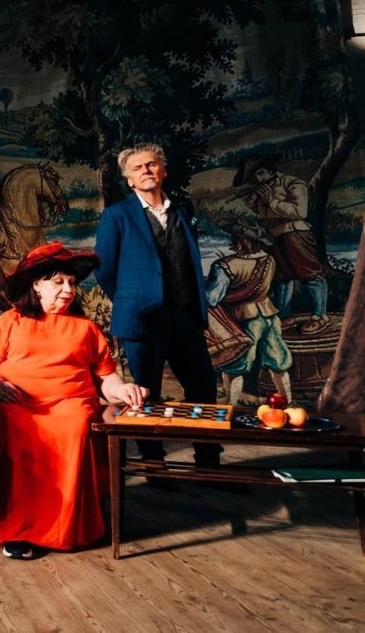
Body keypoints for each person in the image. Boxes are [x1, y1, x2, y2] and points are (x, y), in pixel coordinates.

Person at [0, 242, 147, 559]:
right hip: (18, 400)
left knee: (77, 426)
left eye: (71, 283)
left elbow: (107, 378)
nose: (68, 289)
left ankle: (65, 528)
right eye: (58, 282)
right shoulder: (11, 320)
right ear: (36, 285)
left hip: (71, 402)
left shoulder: (86, 328)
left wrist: (123, 391)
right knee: (17, 428)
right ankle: (19, 531)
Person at [94, 143, 221, 474]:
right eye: (137, 168)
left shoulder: (182, 208)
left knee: (203, 389)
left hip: (184, 316)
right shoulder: (116, 215)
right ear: (129, 179)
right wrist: (131, 299)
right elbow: (104, 269)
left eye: (151, 165)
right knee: (144, 395)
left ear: (163, 171)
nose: (145, 171)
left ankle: (209, 466)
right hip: (142, 320)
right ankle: (154, 466)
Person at [233, 153, 329, 335]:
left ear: (271, 170)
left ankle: (320, 316)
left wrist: (270, 200)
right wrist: (253, 203)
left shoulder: (293, 183)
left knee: (310, 274)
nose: (257, 178)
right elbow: (265, 214)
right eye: (253, 176)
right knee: (281, 277)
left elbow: (300, 212)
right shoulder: (263, 188)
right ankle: (284, 316)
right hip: (274, 237)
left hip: (295, 234)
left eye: (260, 173)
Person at [204, 216, 293, 405]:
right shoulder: (269, 260)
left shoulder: (225, 265)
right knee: (278, 361)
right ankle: (287, 402)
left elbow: (212, 299)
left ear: (240, 239)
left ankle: (231, 405)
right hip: (269, 316)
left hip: (242, 319)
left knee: (236, 364)